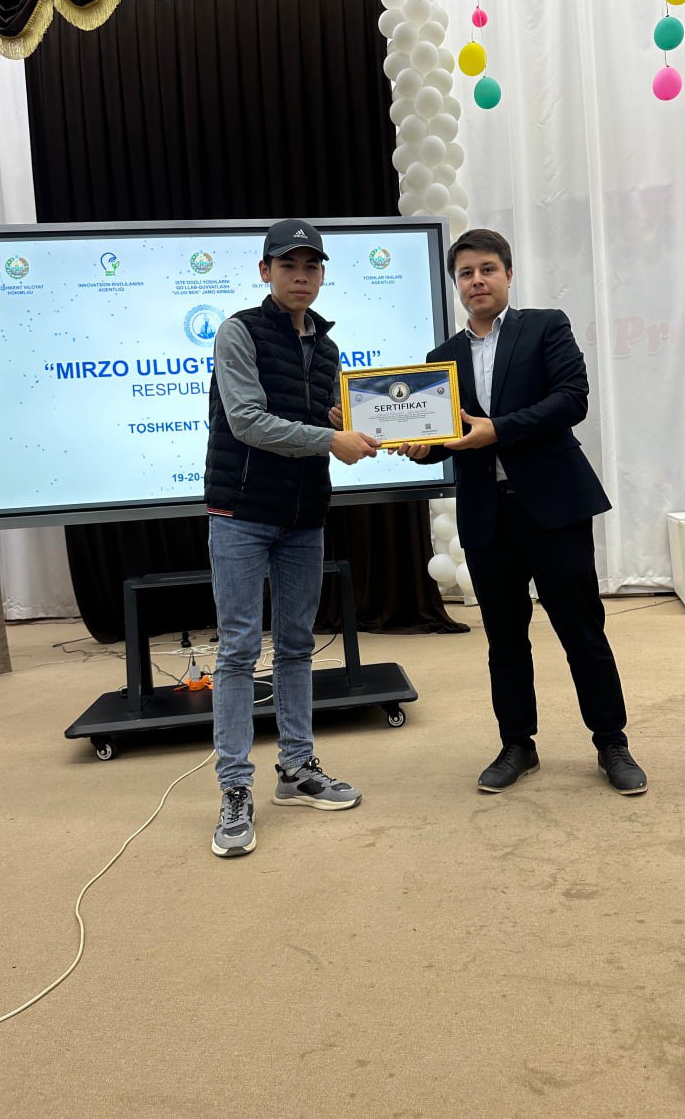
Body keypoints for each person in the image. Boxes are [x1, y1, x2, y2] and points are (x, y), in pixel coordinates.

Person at [396, 228, 647, 796]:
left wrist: (498, 430)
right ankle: (517, 745)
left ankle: (611, 742)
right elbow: (443, 436)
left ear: (508, 275)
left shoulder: (545, 326)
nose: (477, 281)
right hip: (487, 516)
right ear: (456, 284)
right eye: (466, 273)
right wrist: (418, 447)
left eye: (487, 269)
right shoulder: (441, 358)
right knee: (504, 641)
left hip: (554, 508)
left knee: (582, 632)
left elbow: (571, 399)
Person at [204, 218, 378, 857]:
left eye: (311, 266)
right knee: (238, 650)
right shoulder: (239, 332)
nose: (300, 276)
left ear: (322, 274)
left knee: (299, 645)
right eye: (287, 265)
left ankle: (296, 769)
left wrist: (356, 422)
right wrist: (330, 437)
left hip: (305, 515)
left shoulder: (327, 348)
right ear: (265, 272)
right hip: (242, 512)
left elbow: (322, 417)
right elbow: (248, 421)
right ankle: (234, 788)